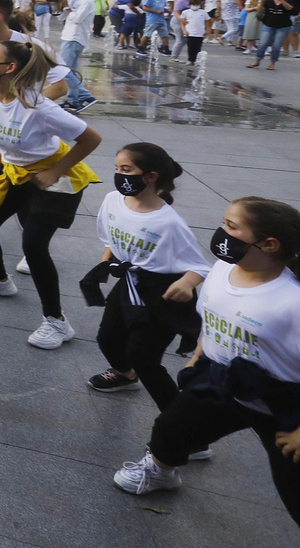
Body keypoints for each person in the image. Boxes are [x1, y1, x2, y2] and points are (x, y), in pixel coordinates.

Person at [111, 198, 300, 547]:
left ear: (269, 244)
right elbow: (212, 318)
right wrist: (200, 356)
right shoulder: (221, 269)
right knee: (170, 426)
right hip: (224, 382)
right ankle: (160, 473)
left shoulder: (299, 306)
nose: (221, 232)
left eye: (231, 226)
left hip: (287, 409)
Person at [0, 40, 102, 349]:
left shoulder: (37, 107)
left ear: (9, 67)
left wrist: (57, 171)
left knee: (34, 246)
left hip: (51, 176)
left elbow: (91, 138)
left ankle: (57, 322)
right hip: (16, 172)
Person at [83, 143, 211, 409]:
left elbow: (199, 266)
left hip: (162, 292)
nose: (119, 174)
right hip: (129, 282)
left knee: (143, 358)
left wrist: (187, 284)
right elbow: (109, 238)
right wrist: (107, 264)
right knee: (107, 338)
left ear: (151, 176)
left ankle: (182, 429)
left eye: (127, 169)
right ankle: (124, 374)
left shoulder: (169, 223)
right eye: (117, 168)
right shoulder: (112, 201)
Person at [58, 0, 98, 113]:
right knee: (71, 71)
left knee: (62, 69)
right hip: (69, 35)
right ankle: (73, 100)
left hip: (75, 37)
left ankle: (86, 96)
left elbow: (77, 19)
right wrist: (62, 4)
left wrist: (67, 7)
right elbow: (62, 17)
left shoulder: (87, 1)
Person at [248, 0, 296, 70]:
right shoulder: (269, 0)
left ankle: (272, 62)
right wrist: (262, 1)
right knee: (263, 43)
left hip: (282, 26)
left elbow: (290, 8)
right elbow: (260, 11)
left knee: (276, 45)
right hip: (268, 24)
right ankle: (258, 60)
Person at [176, 0, 209, 64]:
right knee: (190, 47)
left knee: (198, 47)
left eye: (197, 4)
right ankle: (191, 60)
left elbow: (207, 22)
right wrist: (184, 30)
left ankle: (197, 59)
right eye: (193, 4)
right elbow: (182, 23)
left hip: (200, 33)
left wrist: (207, 30)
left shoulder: (203, 12)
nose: (195, 6)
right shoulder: (186, 12)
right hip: (190, 32)